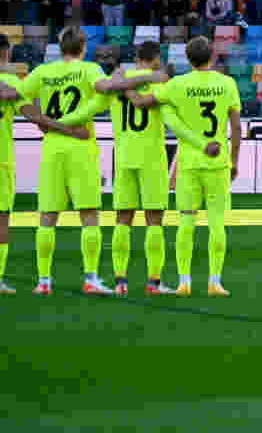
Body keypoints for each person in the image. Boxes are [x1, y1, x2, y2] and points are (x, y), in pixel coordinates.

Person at [4, 27, 153, 295]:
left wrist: (46, 123)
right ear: (83, 47)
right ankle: (91, 278)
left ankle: (44, 281)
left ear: (60, 47)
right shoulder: (89, 70)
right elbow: (106, 88)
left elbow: (17, 96)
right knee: (89, 215)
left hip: (51, 148)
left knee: (47, 216)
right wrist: (139, 78)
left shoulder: (43, 72)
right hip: (81, 148)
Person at [59, 41, 215, 295]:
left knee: (123, 220)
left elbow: (90, 109)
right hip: (152, 158)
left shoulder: (117, 81)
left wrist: (58, 122)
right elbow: (169, 117)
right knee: (154, 222)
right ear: (155, 58)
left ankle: (120, 281)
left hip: (123, 157)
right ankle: (153, 282)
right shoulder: (158, 82)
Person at [125, 37, 241, 294]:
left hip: (189, 163)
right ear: (212, 57)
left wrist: (126, 87)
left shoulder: (178, 85)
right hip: (217, 161)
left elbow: (142, 103)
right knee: (217, 224)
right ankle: (215, 281)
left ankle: (184, 282)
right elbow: (235, 126)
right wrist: (234, 161)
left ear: (188, 59)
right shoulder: (227, 83)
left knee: (186, 221)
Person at [0, 35, 88, 293]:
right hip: (1, 161)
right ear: (7, 52)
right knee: (2, 220)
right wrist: (69, 130)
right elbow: (36, 119)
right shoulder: (11, 82)